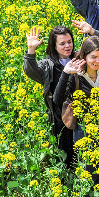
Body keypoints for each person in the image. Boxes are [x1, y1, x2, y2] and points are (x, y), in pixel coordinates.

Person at [53, 35, 99, 185]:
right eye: (93, 57)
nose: (98, 61)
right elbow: (57, 99)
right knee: (88, 171)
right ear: (84, 55)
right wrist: (65, 73)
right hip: (84, 130)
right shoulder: (76, 76)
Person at [23, 26, 76, 167]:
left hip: (80, 114)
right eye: (62, 43)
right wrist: (31, 50)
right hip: (59, 117)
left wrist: (91, 31)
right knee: (64, 157)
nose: (67, 46)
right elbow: (31, 71)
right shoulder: (48, 64)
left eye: (69, 42)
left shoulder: (79, 57)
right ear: (54, 45)